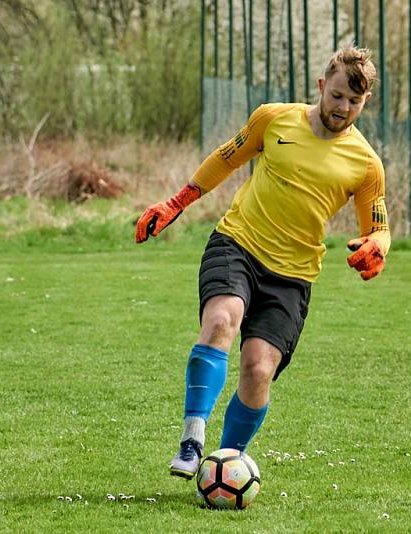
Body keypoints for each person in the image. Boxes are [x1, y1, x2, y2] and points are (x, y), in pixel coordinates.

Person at [135, 45, 391, 480]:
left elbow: (378, 223)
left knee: (258, 369)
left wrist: (377, 246)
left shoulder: (366, 163)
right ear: (321, 86)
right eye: (337, 96)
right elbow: (227, 156)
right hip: (237, 243)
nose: (343, 108)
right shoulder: (274, 118)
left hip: (293, 276)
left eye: (354, 102)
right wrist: (179, 200)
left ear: (365, 102)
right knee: (220, 321)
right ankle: (192, 439)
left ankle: (225, 467)